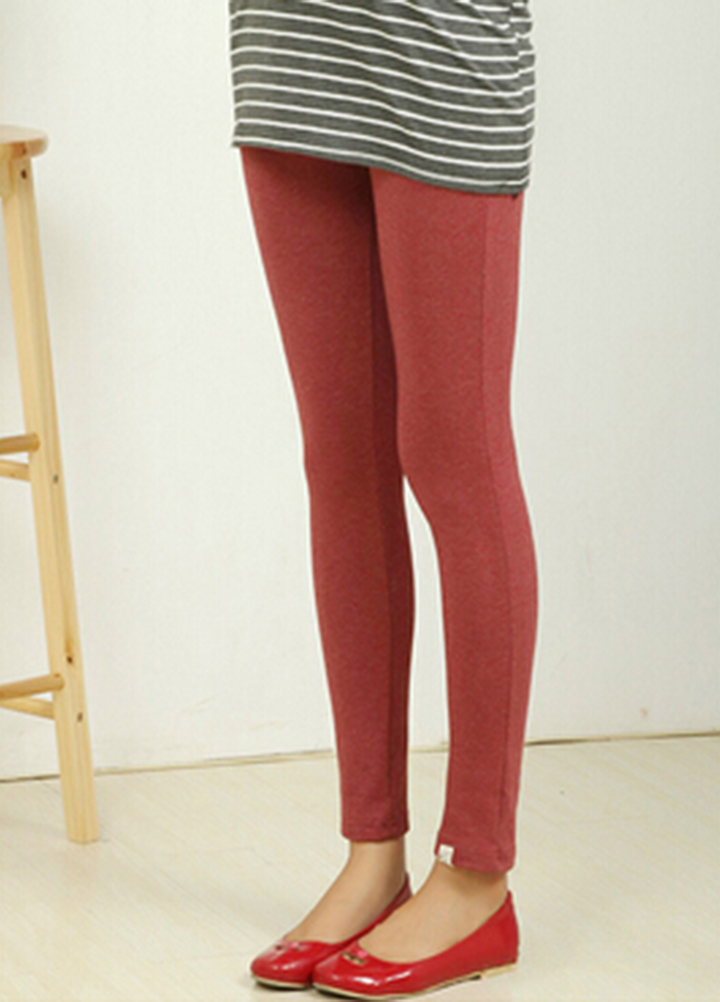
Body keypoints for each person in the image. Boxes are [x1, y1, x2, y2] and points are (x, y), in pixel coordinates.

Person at [228, 1, 539, 997]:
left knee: (456, 457)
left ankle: (478, 872)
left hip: (436, 52)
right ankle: (373, 854)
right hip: (288, 48)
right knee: (342, 462)